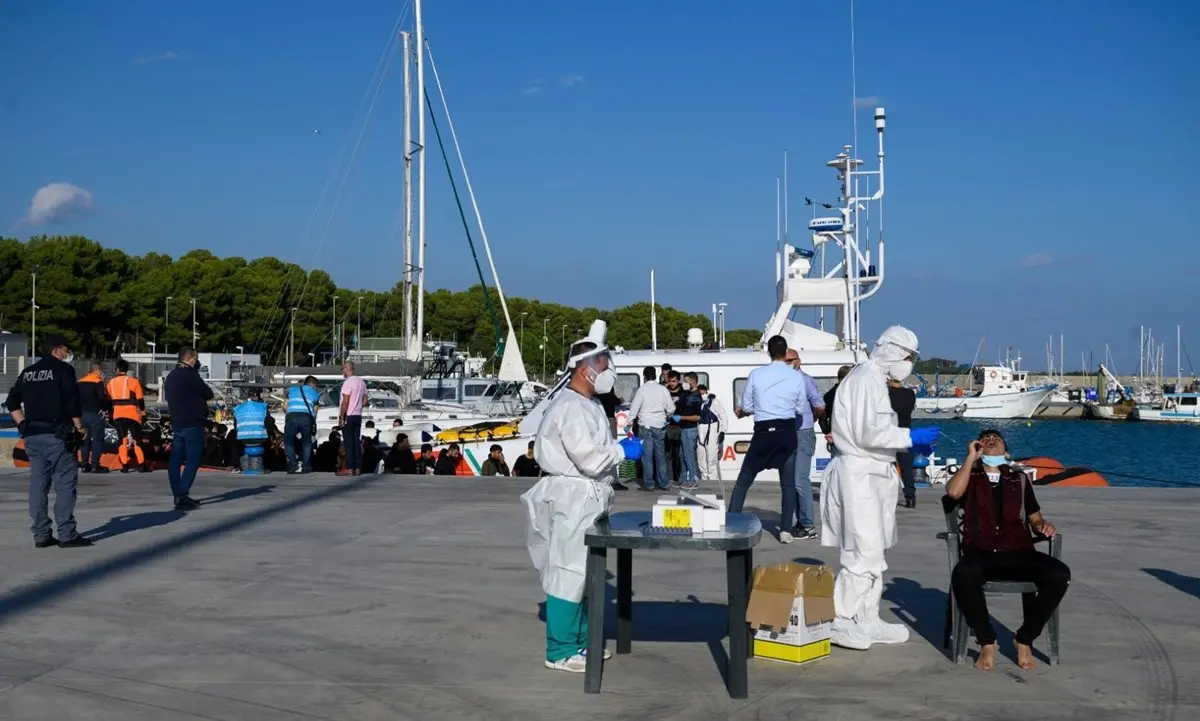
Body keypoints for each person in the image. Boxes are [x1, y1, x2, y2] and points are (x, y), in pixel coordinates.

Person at [520, 320, 641, 673]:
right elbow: (590, 459)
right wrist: (623, 452)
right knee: (567, 571)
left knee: (585, 574)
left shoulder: (586, 403)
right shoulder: (570, 407)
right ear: (586, 369)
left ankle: (581, 641)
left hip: (587, 498)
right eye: (603, 362)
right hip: (572, 497)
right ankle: (559, 650)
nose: (609, 369)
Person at [820, 325, 940, 650]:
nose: (908, 363)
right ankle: (840, 619)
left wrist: (907, 445)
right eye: (906, 356)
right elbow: (866, 434)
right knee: (862, 551)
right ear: (888, 349)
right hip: (859, 475)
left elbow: (879, 430)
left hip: (875, 475)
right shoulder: (863, 380)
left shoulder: (875, 380)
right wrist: (910, 437)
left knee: (877, 552)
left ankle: (867, 618)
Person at [947, 429, 1069, 671]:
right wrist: (971, 458)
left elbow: (1034, 517)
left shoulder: (1019, 479)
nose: (991, 440)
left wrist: (1041, 525)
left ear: (1006, 450)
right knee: (964, 573)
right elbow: (953, 492)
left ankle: (1024, 638)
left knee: (1059, 574)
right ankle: (986, 641)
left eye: (997, 439)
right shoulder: (970, 476)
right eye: (986, 439)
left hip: (1018, 551)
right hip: (980, 552)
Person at [5, 335, 92, 548]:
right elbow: (72, 401)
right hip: (58, 435)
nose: (68, 352)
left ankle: (41, 534)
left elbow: (11, 401)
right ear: (56, 349)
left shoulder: (28, 372)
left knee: (38, 485)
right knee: (64, 484)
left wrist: (22, 424)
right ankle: (66, 534)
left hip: (33, 435)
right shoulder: (63, 370)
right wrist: (80, 427)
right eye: (66, 348)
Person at [727, 335, 811, 544]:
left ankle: (732, 522)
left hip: (764, 432)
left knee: (744, 480)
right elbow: (800, 408)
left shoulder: (756, 374)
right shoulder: (796, 377)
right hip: (787, 432)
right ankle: (785, 530)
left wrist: (757, 409)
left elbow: (746, 405)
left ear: (769, 352)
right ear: (785, 353)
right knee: (788, 484)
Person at [784, 349, 827, 539]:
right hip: (788, 433)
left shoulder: (805, 380)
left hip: (803, 433)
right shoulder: (783, 381)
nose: (787, 363)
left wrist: (813, 419)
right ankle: (800, 521)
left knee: (800, 480)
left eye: (790, 360)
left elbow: (819, 405)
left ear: (798, 361)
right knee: (791, 481)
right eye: (784, 360)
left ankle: (808, 525)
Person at [165, 347, 214, 510]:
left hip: (177, 422)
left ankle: (177, 494)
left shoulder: (171, 377)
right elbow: (208, 393)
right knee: (193, 458)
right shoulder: (191, 376)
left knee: (175, 460)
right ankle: (182, 494)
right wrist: (196, 374)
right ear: (191, 359)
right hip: (193, 422)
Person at [627, 365, 672, 491]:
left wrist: (630, 421)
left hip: (645, 424)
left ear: (644, 376)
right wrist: (666, 417)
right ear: (656, 376)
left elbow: (634, 408)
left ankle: (649, 484)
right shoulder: (663, 389)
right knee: (660, 455)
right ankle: (663, 483)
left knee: (646, 455)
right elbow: (671, 408)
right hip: (659, 424)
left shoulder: (642, 390)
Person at [106, 359, 147, 473]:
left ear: (117, 370)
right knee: (136, 440)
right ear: (127, 370)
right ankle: (142, 465)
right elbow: (140, 400)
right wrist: (143, 413)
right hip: (132, 414)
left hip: (117, 415)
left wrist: (110, 415)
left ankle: (124, 465)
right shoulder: (133, 381)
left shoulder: (110, 383)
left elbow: (108, 402)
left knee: (122, 440)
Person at [887, 376, 918, 508]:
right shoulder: (909, 394)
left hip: (889, 432)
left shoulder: (885, 394)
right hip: (905, 432)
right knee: (906, 468)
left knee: (887, 465)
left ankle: (886, 496)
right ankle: (910, 497)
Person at [77, 362, 111, 474]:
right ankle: (95, 465)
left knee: (84, 439)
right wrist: (104, 409)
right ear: (97, 371)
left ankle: (84, 464)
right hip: (95, 414)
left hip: (81, 414)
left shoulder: (80, 382)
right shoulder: (98, 382)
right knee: (97, 439)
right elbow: (102, 398)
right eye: (101, 371)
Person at [284, 375, 320, 474]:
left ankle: (293, 464)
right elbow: (315, 411)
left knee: (288, 442)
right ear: (313, 385)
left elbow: (284, 406)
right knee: (307, 442)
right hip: (306, 417)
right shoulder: (315, 394)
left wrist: (290, 413)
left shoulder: (292, 390)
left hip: (291, 415)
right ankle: (306, 466)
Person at [695, 383, 730, 483]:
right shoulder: (697, 403)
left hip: (711, 432)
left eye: (703, 390)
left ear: (707, 391)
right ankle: (705, 479)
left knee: (711, 458)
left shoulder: (714, 402)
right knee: (701, 458)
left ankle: (713, 481)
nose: (702, 392)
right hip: (700, 432)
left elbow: (723, 416)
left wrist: (723, 431)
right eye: (700, 391)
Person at [338, 362, 367, 476]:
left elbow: (346, 400)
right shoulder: (361, 382)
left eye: (342, 369)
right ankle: (357, 468)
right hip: (358, 415)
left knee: (349, 443)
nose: (342, 372)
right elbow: (365, 401)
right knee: (356, 442)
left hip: (348, 415)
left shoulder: (347, 383)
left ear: (346, 369)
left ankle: (350, 468)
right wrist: (358, 405)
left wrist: (341, 417)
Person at [233, 390, 270, 473]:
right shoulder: (262, 407)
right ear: (257, 397)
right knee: (267, 444)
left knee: (240, 446)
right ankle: (261, 467)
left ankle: (244, 466)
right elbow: (269, 424)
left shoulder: (238, 408)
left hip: (242, 438)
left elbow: (235, 426)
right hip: (259, 437)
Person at [819, 365, 853, 447]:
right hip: (852, 439)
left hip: (836, 438)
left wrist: (828, 433)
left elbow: (822, 419)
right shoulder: (854, 394)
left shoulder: (828, 395)